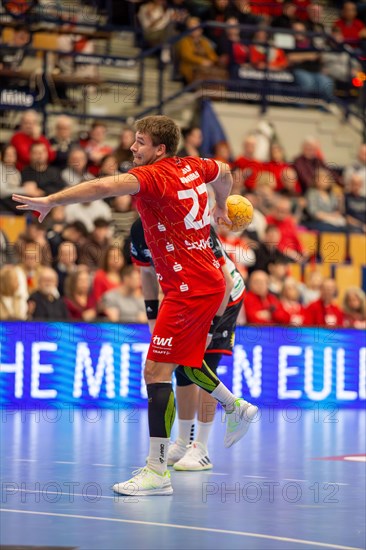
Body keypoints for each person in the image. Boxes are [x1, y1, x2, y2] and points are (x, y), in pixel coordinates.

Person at [13, 114, 258, 497]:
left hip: (189, 288)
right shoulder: (193, 165)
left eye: (140, 142)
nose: (132, 147)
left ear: (159, 149)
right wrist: (222, 206)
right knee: (184, 365)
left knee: (156, 373)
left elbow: (100, 187)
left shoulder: (154, 176)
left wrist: (51, 199)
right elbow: (225, 170)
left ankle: (157, 472)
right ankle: (235, 407)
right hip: (203, 282)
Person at [130, 217, 245, 470]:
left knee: (203, 365)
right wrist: (152, 319)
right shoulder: (140, 228)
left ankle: (201, 448)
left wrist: (209, 331)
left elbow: (224, 282)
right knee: (181, 370)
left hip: (224, 296)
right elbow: (147, 273)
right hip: (186, 296)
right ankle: (183, 441)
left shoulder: (195, 223)